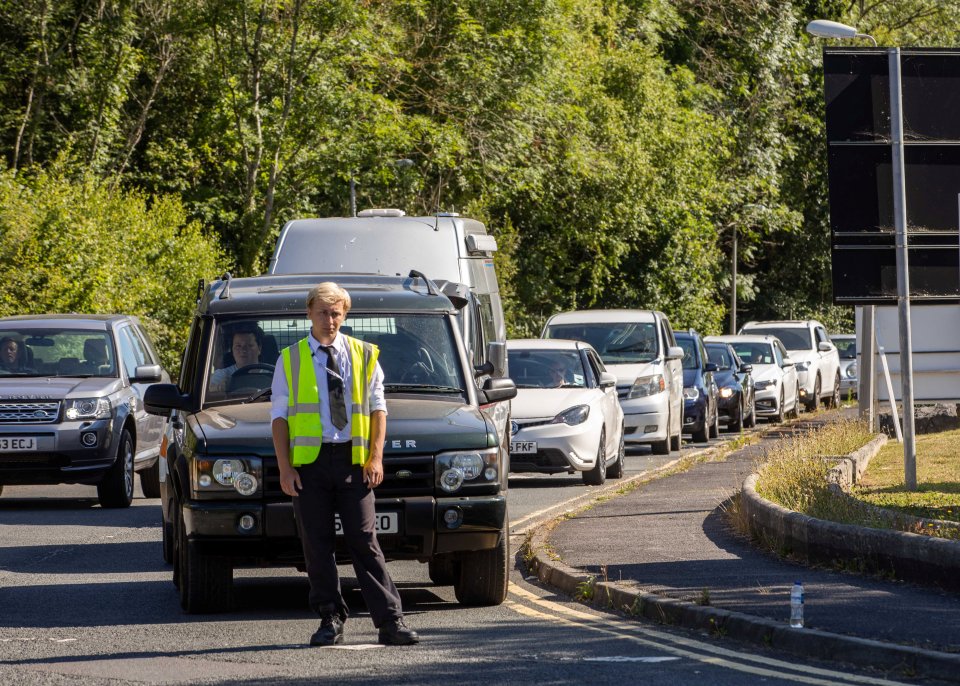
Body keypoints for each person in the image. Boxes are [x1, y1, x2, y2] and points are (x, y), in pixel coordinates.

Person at [270, 282, 419, 647]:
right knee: (316, 545)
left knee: (365, 541)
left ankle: (390, 621)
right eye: (322, 312)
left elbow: (378, 409)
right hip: (310, 463)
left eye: (336, 313)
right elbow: (279, 418)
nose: (330, 320)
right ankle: (329, 618)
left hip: (354, 461)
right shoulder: (289, 359)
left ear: (345, 315)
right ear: (309, 313)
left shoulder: (364, 354)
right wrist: (285, 468)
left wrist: (376, 456)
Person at [210, 323, 265, 392]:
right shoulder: (222, 375)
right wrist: (219, 388)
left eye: (249, 345)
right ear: (232, 350)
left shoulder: (274, 373)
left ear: (259, 349)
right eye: (238, 346)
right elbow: (208, 391)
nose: (243, 350)